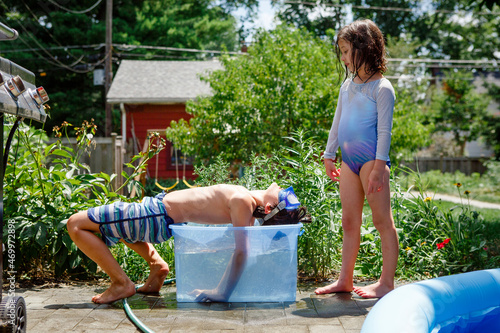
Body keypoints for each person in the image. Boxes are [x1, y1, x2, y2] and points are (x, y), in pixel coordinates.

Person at [66, 183, 311, 304]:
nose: (280, 186)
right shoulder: (245, 201)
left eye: (281, 193)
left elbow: (241, 252)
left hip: (155, 215)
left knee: (76, 224)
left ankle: (121, 283)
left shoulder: (242, 201)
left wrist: (220, 293)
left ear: (269, 207)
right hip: (157, 213)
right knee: (118, 228)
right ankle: (156, 265)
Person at [315, 19, 399, 299]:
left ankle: (386, 282)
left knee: (382, 221)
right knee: (349, 222)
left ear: (365, 48)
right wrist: (329, 154)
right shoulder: (347, 87)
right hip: (349, 163)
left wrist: (379, 167)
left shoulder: (382, 88)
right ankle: (345, 280)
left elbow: (385, 132)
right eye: (340, 51)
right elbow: (337, 123)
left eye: (346, 50)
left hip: (372, 163)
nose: (343, 57)